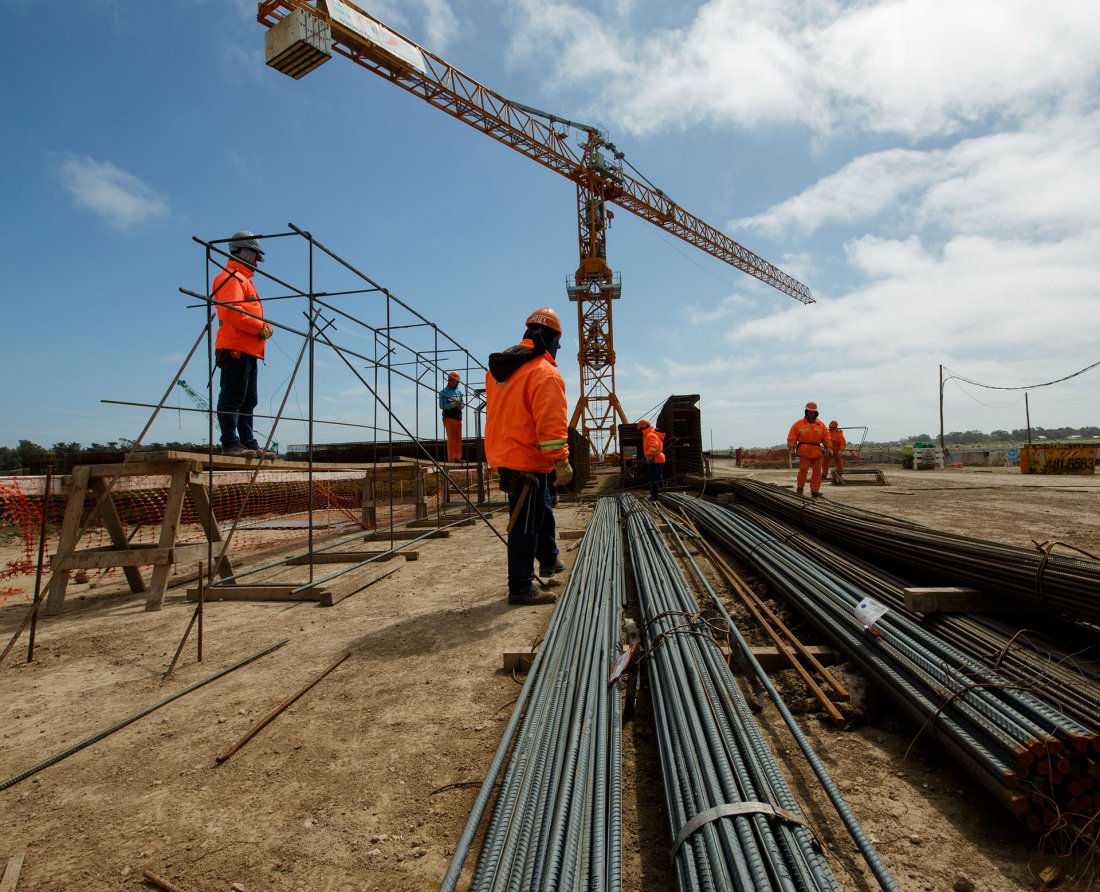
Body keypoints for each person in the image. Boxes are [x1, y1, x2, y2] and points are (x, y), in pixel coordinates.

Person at [485, 307, 573, 605]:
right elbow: (550, 424)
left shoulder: (500, 370)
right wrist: (561, 460)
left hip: (505, 455)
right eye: (557, 345)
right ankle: (520, 586)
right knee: (524, 524)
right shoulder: (543, 372)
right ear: (551, 339)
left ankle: (549, 560)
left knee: (541, 509)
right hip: (526, 459)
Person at [213, 231, 274, 460]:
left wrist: (261, 325)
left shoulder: (244, 280)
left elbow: (246, 313)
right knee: (232, 396)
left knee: (249, 399)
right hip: (235, 346)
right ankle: (230, 443)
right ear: (244, 251)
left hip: (249, 348)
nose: (257, 262)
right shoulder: (230, 277)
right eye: (255, 256)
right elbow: (233, 313)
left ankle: (248, 442)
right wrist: (260, 328)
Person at [786, 401, 832, 498]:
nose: (811, 413)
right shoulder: (798, 424)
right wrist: (791, 449)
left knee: (817, 471)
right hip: (804, 450)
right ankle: (800, 488)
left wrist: (829, 447)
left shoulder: (821, 425)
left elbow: (826, 438)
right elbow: (792, 437)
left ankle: (815, 491)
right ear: (806, 411)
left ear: (816, 412)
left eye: (813, 412)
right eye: (809, 411)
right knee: (803, 469)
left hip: (816, 451)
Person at [438, 372, 464, 462]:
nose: (458, 383)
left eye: (458, 382)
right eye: (456, 381)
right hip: (449, 417)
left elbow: (463, 405)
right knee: (451, 438)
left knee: (458, 438)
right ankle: (451, 458)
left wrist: (461, 405)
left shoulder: (459, 392)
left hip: (458, 417)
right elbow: (441, 405)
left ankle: (458, 457)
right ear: (451, 381)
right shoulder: (443, 392)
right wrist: (453, 404)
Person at [637, 419, 666, 501]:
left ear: (643, 427)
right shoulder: (649, 434)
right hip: (657, 459)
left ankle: (655, 497)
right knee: (657, 478)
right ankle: (660, 495)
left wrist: (649, 455)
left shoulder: (650, 435)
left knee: (654, 478)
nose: (640, 431)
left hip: (655, 459)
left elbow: (654, 447)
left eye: (640, 429)